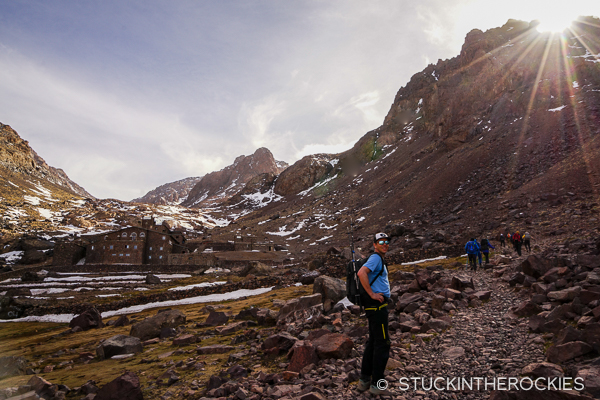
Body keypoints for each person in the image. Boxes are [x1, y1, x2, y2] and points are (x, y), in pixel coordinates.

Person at [357, 233, 391, 396]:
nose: (385, 244)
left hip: (374, 307)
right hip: (377, 307)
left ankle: (364, 380)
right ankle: (377, 384)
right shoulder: (376, 258)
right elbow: (361, 273)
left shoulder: (378, 258)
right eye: (381, 242)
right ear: (374, 244)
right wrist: (372, 294)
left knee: (373, 342)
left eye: (386, 242)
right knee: (382, 343)